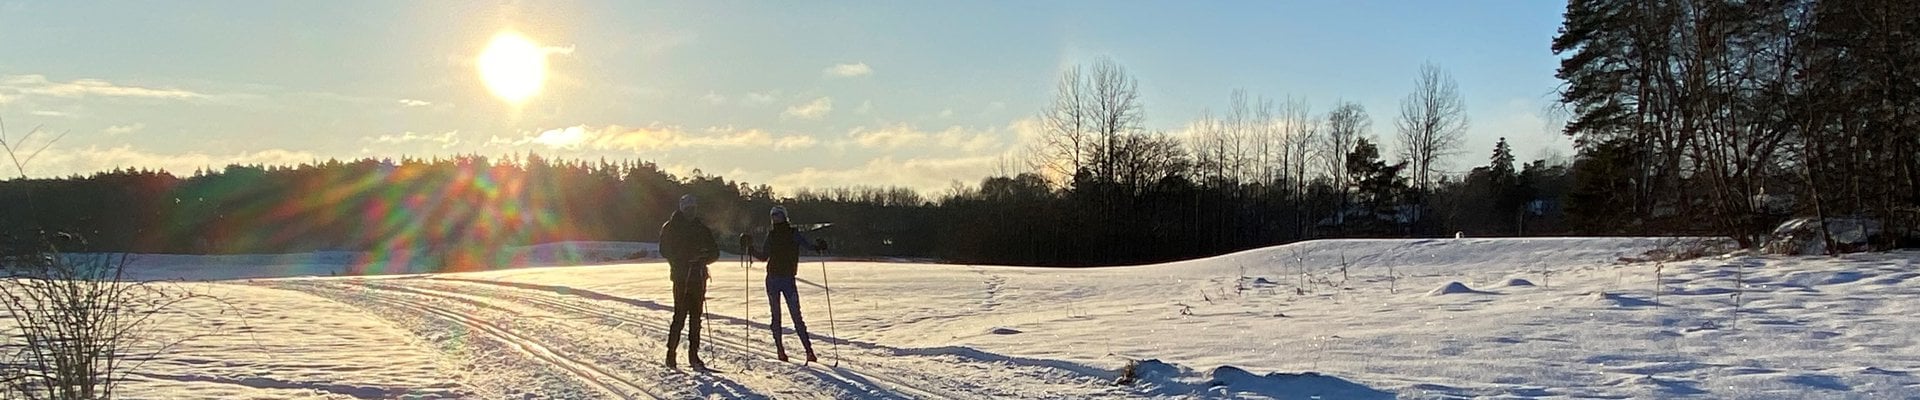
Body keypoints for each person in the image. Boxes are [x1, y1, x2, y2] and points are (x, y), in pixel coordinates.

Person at [740, 206, 824, 362]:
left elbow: (808, 246)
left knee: (796, 316)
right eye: (773, 216)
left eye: (777, 215)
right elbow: (764, 256)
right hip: (773, 279)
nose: (775, 218)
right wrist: (750, 249)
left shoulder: (793, 233)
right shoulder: (772, 235)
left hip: (787, 279)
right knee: (776, 316)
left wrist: (818, 247)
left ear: (784, 217)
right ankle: (780, 350)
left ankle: (809, 351)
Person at [660, 194, 719, 369]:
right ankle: (671, 354)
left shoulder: (701, 228)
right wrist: (685, 257)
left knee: (696, 319)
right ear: (682, 209)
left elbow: (715, 252)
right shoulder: (671, 227)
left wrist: (703, 258)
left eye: (693, 208)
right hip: (681, 277)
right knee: (679, 316)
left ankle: (694, 355)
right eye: (688, 208)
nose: (691, 212)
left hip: (698, 277)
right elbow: (664, 250)